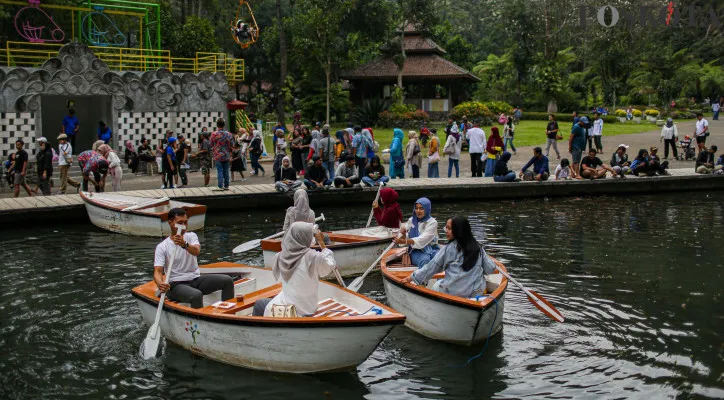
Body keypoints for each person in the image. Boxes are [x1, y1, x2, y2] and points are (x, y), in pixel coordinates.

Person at [154, 208, 234, 309]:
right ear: (170, 223)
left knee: (227, 281)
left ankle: (228, 312)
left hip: (195, 279)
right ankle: (200, 321)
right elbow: (158, 271)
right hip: (176, 285)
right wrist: (160, 283)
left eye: (185, 222)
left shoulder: (191, 236)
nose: (183, 226)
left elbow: (196, 251)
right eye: (180, 223)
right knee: (196, 295)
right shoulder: (162, 247)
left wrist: (184, 244)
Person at [252, 222, 337, 317]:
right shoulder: (313, 257)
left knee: (259, 304)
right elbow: (329, 265)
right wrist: (321, 243)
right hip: (308, 308)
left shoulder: (281, 256)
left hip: (291, 310)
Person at [401, 216, 497, 298]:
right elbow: (490, 269)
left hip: (454, 293)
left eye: (449, 229)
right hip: (475, 293)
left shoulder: (448, 249)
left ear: (458, 230)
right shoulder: (478, 247)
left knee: (437, 285)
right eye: (446, 228)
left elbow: (431, 268)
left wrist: (411, 278)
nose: (446, 231)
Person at [395, 198, 439, 269]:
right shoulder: (411, 220)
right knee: (425, 260)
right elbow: (403, 240)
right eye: (416, 208)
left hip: (432, 249)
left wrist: (405, 241)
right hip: (416, 250)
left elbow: (423, 239)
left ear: (427, 209)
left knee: (441, 259)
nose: (418, 211)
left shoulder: (433, 223)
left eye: (421, 208)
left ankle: (441, 279)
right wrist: (403, 234)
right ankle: (422, 279)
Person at [210, 118, 233, 190]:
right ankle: (226, 185)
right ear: (224, 125)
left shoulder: (214, 134)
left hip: (218, 154)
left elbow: (211, 144)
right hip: (226, 154)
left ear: (217, 125)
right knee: (226, 170)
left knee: (220, 170)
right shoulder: (228, 134)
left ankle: (220, 186)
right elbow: (232, 144)